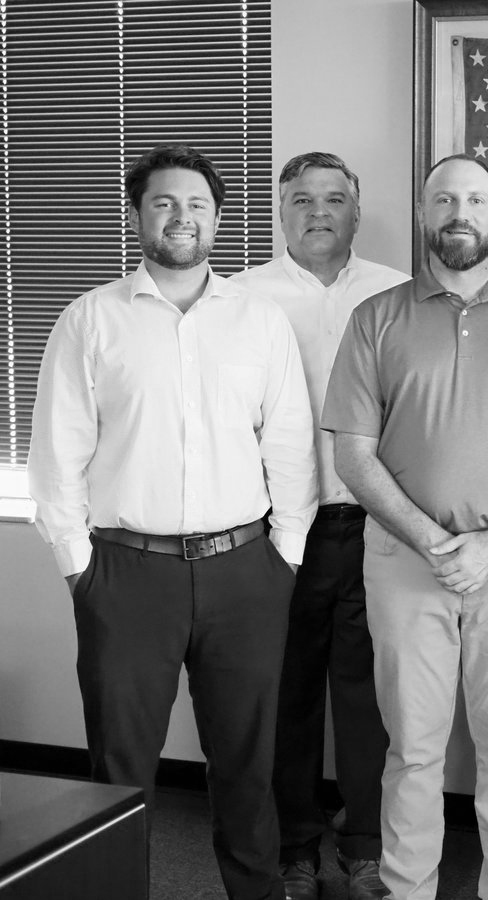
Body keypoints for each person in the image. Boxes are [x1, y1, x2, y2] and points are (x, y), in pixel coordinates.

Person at [28, 143, 317, 900]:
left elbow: (288, 445)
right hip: (126, 575)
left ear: (218, 218)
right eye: (163, 202)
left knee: (247, 763)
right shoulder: (90, 321)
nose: (181, 216)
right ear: (136, 216)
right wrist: (81, 570)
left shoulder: (259, 322)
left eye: (196, 204)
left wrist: (282, 558)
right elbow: (56, 459)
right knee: (119, 771)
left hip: (245, 574)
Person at [323, 154, 488, 900]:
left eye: (476, 200)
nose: (459, 212)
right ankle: (408, 888)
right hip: (405, 564)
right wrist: (436, 542)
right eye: (444, 200)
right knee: (415, 747)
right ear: (426, 214)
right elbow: (354, 456)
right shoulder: (377, 318)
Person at [232, 151, 408, 900]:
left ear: (356, 211)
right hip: (282, 529)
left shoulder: (399, 292)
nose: (317, 212)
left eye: (333, 198)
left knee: (372, 700)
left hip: (378, 525)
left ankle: (366, 846)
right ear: (281, 212)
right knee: (290, 697)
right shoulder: (242, 298)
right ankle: (296, 851)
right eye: (300, 199)